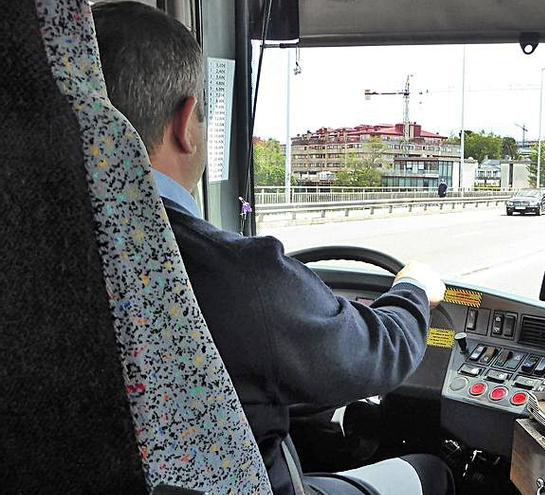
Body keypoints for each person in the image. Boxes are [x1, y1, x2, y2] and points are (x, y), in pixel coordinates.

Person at [92, 3, 453, 495]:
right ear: (185, 122)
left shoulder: (47, 258)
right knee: (430, 472)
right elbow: (380, 352)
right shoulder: (236, 275)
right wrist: (413, 289)